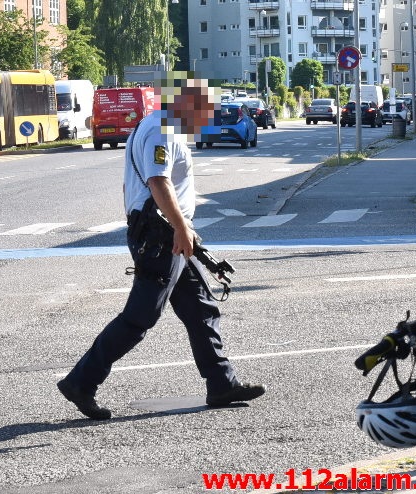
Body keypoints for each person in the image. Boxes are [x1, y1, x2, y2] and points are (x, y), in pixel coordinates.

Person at [57, 73, 266, 420]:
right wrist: (180, 228)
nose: (209, 115)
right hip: (161, 237)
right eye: (205, 108)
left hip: (163, 232)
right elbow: (157, 181)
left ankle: (221, 384)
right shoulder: (162, 130)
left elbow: (132, 188)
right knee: (140, 317)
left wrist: (182, 229)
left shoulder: (152, 125)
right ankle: (81, 381)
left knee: (201, 310)